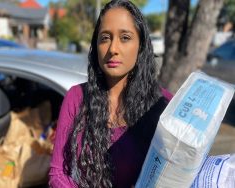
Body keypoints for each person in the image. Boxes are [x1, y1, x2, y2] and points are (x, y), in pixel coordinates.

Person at [49, 0, 173, 187]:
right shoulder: (76, 98)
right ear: (96, 45)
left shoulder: (163, 103)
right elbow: (57, 174)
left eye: (125, 37)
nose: (113, 49)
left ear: (141, 45)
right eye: (105, 38)